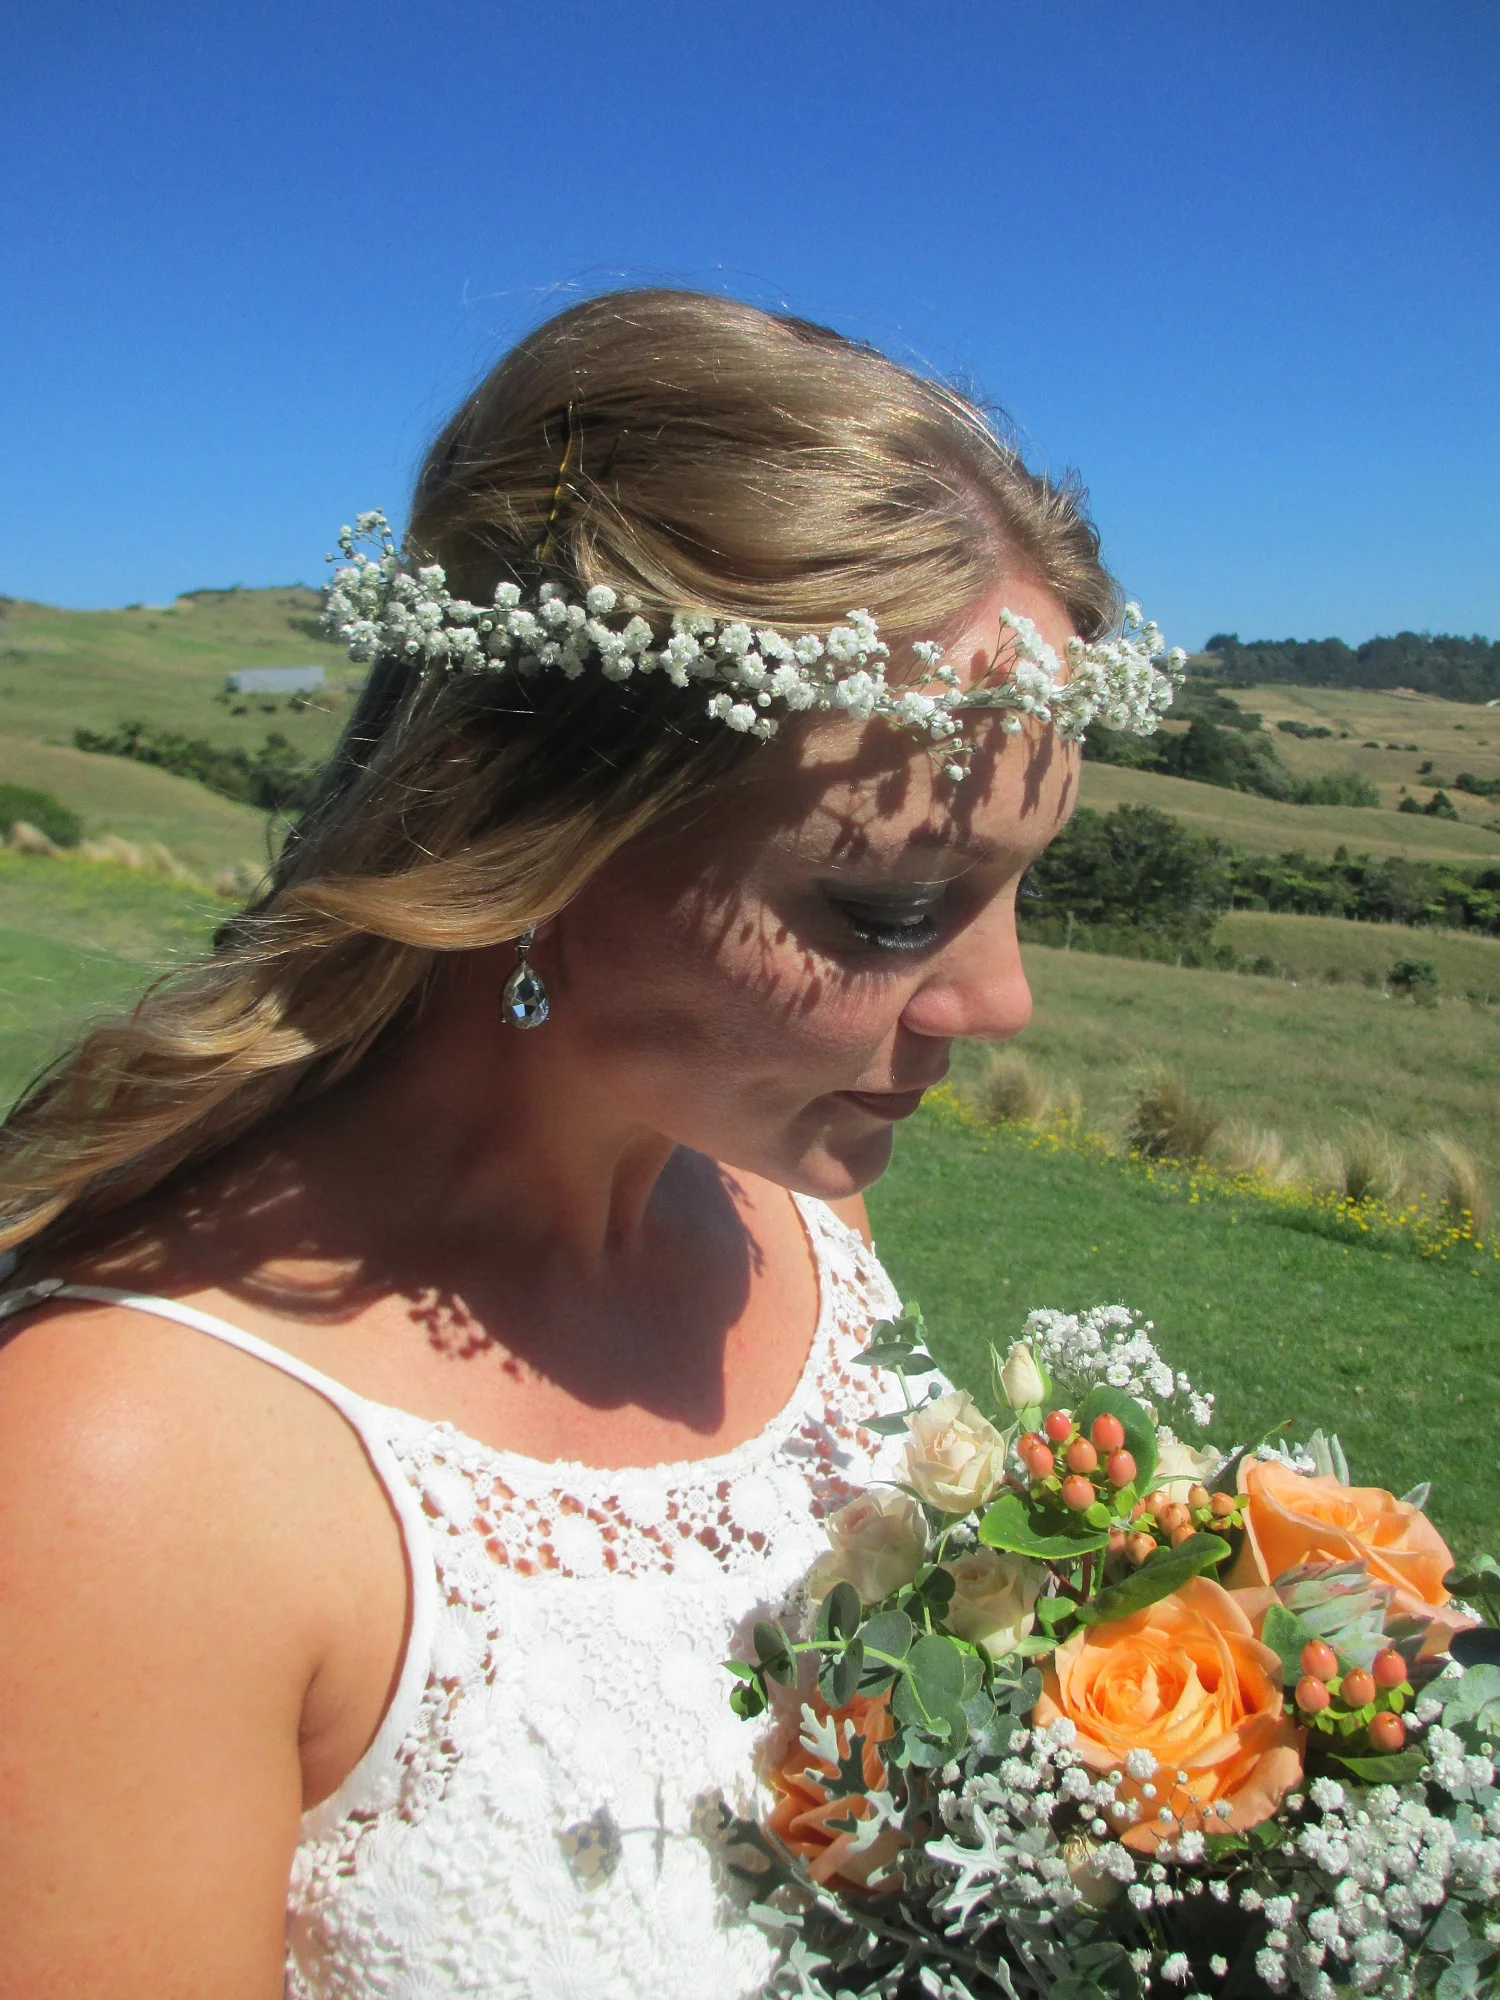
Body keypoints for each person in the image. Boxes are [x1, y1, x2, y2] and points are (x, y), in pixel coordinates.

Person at [0, 290, 1173, 1999]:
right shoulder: (118, 1479)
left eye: (1018, 883)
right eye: (887, 907)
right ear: (520, 828)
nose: (998, 1002)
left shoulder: (792, 1230)